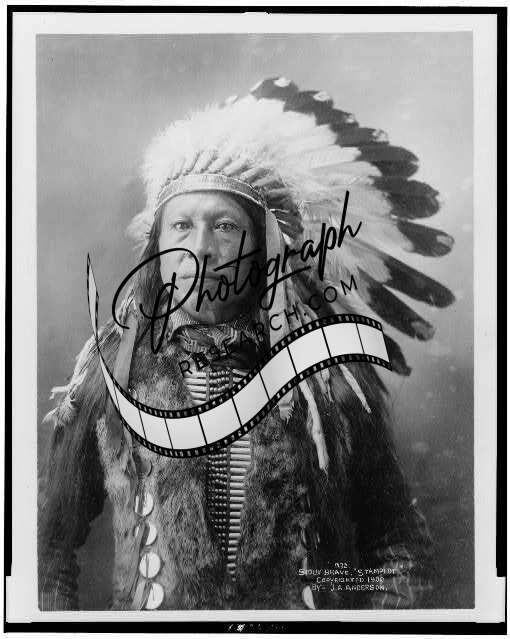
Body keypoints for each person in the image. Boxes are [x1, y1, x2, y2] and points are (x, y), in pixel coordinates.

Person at [38, 77, 454, 611]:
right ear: (156, 245)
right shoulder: (111, 370)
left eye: (225, 227)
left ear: (264, 248)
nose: (201, 249)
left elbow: (397, 544)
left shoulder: (327, 378)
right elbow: (45, 550)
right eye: (181, 225)